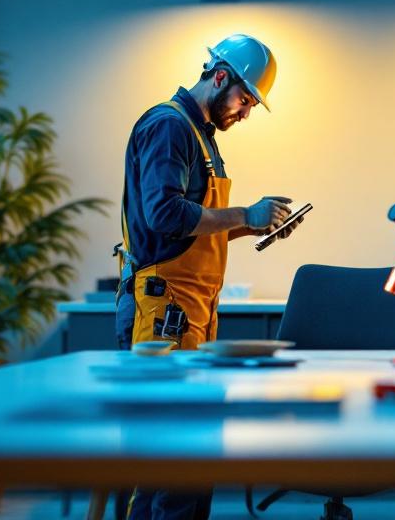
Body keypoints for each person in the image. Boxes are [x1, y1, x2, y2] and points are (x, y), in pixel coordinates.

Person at [114, 34, 301, 519]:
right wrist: (245, 212)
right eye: (244, 99)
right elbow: (165, 215)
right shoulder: (169, 126)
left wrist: (252, 227)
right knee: (164, 467)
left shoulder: (201, 139)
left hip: (191, 316)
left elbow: (192, 233)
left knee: (193, 464)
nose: (244, 112)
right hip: (159, 318)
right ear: (220, 77)